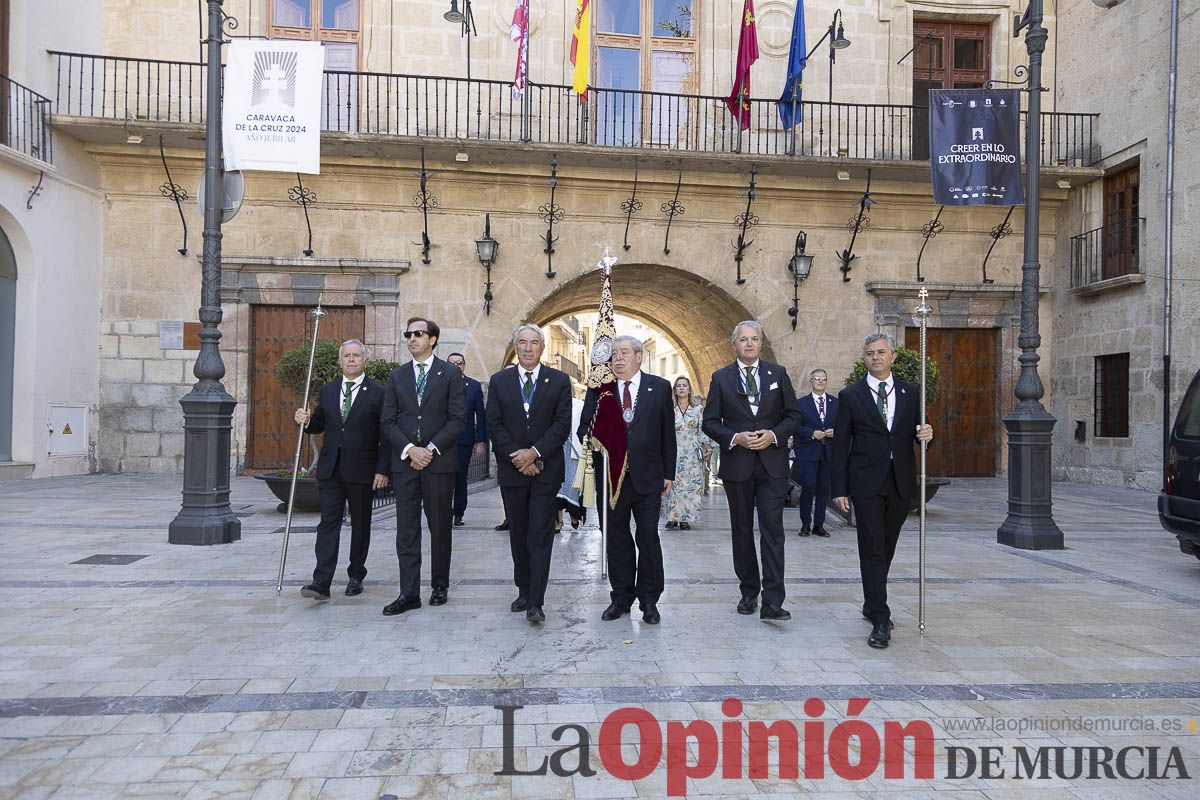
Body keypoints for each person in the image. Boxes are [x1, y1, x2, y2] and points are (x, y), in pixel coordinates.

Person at [831, 333, 934, 649]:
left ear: (893, 357)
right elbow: (840, 445)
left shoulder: (911, 392)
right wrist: (839, 488)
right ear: (864, 358)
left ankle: (870, 599)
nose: (875, 357)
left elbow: (922, 433)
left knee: (886, 546)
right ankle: (879, 616)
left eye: (881, 352)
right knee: (872, 546)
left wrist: (928, 434)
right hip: (865, 483)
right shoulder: (851, 395)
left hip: (900, 481)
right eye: (869, 353)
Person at [702, 321, 801, 621]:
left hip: (772, 465)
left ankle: (773, 601)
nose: (749, 344)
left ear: (760, 343)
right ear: (734, 345)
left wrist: (773, 435)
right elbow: (710, 422)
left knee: (773, 531)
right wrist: (735, 438)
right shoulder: (721, 378)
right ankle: (749, 591)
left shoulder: (778, 374)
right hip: (738, 466)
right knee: (742, 531)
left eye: (754, 339)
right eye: (743, 340)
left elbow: (794, 415)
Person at [580, 335, 676, 625]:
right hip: (612, 480)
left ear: (639, 356)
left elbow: (667, 434)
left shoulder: (659, 388)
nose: (617, 358)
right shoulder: (600, 391)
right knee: (616, 538)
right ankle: (621, 597)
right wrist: (599, 437)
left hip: (648, 478)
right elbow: (584, 427)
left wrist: (668, 473)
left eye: (623, 353)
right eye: (614, 354)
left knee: (647, 536)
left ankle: (649, 600)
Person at [485, 324, 572, 623]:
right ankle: (523, 589)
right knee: (519, 534)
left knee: (540, 534)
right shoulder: (499, 381)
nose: (527, 348)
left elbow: (561, 425)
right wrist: (518, 458)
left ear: (542, 348)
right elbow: (494, 424)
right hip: (513, 472)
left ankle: (536, 600)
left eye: (534, 342)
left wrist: (534, 453)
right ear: (515, 346)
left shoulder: (559, 381)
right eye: (522, 342)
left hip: (546, 471)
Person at [380, 317, 466, 615]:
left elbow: (457, 419)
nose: (412, 338)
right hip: (405, 464)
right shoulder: (397, 376)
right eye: (408, 334)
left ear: (433, 339)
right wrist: (409, 449)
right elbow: (387, 420)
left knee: (440, 527)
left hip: (438, 463)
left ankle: (439, 585)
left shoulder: (450, 374)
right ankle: (408, 593)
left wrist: (429, 449)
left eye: (418, 334)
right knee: (406, 529)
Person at [295, 340, 390, 600]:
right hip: (331, 470)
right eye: (347, 356)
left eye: (356, 356)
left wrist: (382, 470)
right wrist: (306, 422)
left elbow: (386, 434)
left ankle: (356, 574)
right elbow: (319, 425)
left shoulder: (379, 393)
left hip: (363, 471)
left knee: (360, 525)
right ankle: (321, 581)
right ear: (340, 361)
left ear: (365, 361)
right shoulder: (328, 390)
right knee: (328, 524)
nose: (351, 360)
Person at [791, 368, 838, 538]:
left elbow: (844, 424)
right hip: (808, 452)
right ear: (811, 381)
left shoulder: (835, 403)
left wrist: (836, 431)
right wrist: (812, 433)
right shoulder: (801, 403)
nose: (820, 381)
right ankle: (805, 524)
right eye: (817, 379)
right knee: (808, 487)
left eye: (823, 379)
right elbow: (795, 426)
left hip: (828, 452)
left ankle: (819, 525)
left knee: (824, 490)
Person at [446, 352, 486, 527]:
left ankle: (458, 512)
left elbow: (481, 416)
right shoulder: (439, 384)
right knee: (443, 477)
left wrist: (481, 441)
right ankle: (443, 511)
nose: (456, 366)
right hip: (442, 441)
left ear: (464, 365)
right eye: (452, 363)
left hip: (464, 440)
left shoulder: (474, 386)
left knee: (460, 476)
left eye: (459, 363)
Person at [663, 376, 706, 530]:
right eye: (678, 386)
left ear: (689, 389)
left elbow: (703, 430)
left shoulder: (698, 409)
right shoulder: (669, 409)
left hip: (692, 453)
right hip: (672, 451)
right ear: (674, 390)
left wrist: (707, 447)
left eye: (684, 386)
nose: (681, 388)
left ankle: (685, 518)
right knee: (672, 485)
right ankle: (672, 517)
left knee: (689, 486)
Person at [556, 395, 587, 531]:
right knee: (556, 488)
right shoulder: (552, 403)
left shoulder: (579, 405)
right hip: (557, 449)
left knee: (572, 487)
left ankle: (574, 516)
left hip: (573, 451)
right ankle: (558, 521)